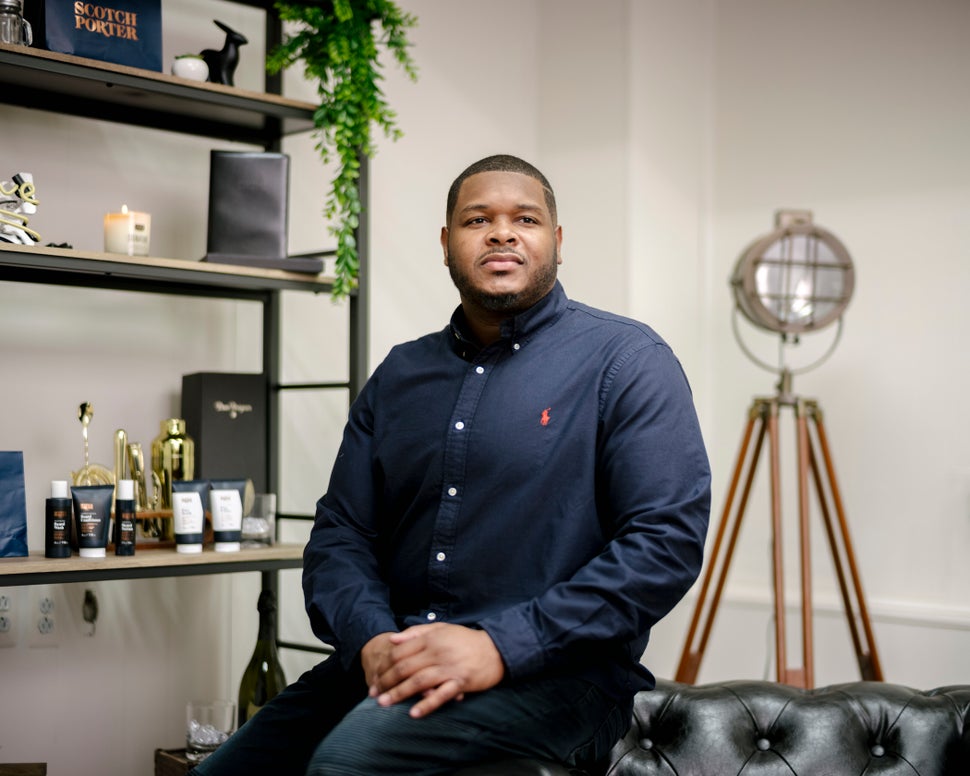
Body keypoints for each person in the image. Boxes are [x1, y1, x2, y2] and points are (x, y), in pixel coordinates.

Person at [191, 154, 711, 776]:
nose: (501, 232)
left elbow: (664, 545)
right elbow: (341, 535)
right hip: (395, 658)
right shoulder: (400, 376)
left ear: (557, 242)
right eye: (476, 219)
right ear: (446, 244)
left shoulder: (627, 361)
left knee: (346, 766)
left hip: (561, 676)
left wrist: (499, 646)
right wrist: (373, 642)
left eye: (525, 218)